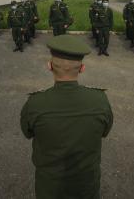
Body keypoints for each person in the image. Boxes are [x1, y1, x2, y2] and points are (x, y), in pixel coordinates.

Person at [20, 34, 113, 199]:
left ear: (49, 66)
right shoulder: (100, 100)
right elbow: (104, 132)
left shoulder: (35, 103)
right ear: (82, 68)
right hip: (87, 186)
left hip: (50, 187)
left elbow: (28, 133)